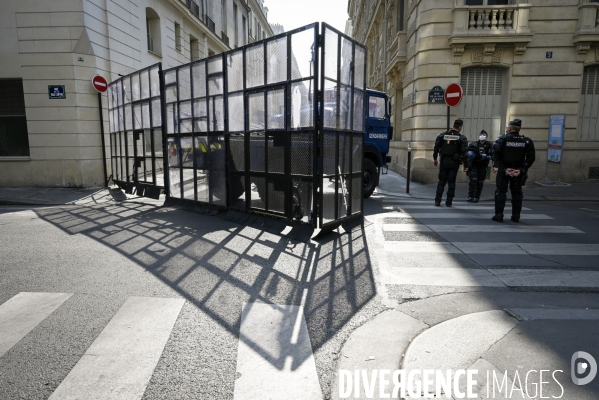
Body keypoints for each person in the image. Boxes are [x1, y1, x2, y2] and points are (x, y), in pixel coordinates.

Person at [491, 119, 536, 222]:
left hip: (504, 170)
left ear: (510, 129)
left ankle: (499, 215)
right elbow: (531, 158)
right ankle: (516, 216)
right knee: (517, 193)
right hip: (517, 171)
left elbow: (495, 155)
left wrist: (504, 169)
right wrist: (521, 170)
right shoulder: (526, 141)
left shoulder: (503, 139)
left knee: (501, 192)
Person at [433, 119, 468, 207]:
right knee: (451, 182)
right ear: (460, 127)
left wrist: (435, 158)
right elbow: (464, 152)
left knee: (441, 181)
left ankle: (438, 200)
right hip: (454, 162)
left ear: (453, 126)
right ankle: (449, 202)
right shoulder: (461, 138)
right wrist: (466, 165)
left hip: (444, 161)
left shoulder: (443, 135)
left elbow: (436, 147)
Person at [465, 130, 493, 203]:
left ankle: (477, 197)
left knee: (480, 181)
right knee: (473, 180)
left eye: (484, 135)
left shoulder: (489, 145)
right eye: (481, 134)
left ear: (486, 137)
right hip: (474, 164)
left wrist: (488, 157)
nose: (482, 136)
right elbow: (468, 153)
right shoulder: (474, 144)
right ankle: (470, 196)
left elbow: (493, 154)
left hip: (483, 165)